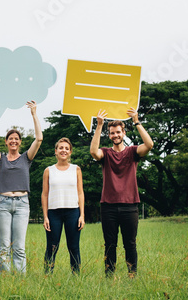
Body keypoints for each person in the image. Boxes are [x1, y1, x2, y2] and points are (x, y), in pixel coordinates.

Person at [90, 108, 153, 277]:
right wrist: (99, 126)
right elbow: (93, 152)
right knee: (110, 244)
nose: (115, 135)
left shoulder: (133, 152)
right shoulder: (106, 153)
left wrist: (136, 121)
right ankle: (109, 276)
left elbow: (149, 145)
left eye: (118, 132)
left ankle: (132, 275)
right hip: (108, 207)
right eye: (112, 133)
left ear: (124, 133)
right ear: (109, 135)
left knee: (130, 244)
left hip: (130, 206)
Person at [0, 101, 42, 273]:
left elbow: (39, 138)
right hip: (2, 203)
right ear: (6, 142)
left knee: (19, 245)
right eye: (10, 138)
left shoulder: (26, 158)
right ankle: (4, 279)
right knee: (4, 245)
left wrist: (34, 114)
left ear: (20, 142)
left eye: (16, 139)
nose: (13, 141)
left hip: (22, 204)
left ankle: (19, 280)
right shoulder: (1, 159)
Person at [41, 137, 85, 274]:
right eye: (61, 148)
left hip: (73, 212)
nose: (63, 150)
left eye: (66, 148)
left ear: (70, 152)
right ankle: (47, 275)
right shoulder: (48, 170)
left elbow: (80, 193)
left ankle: (76, 276)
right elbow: (44, 194)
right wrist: (45, 217)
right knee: (52, 246)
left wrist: (82, 215)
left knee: (73, 246)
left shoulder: (76, 169)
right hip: (54, 213)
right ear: (56, 151)